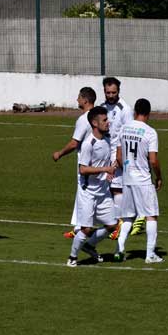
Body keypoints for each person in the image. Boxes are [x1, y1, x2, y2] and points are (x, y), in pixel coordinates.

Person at [68, 106, 119, 267]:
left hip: (103, 190)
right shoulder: (88, 144)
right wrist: (105, 169)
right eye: (104, 120)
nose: (108, 123)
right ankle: (72, 257)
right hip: (88, 192)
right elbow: (82, 169)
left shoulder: (107, 139)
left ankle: (89, 245)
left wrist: (111, 168)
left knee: (112, 225)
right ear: (94, 123)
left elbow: (108, 159)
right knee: (86, 229)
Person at [114, 98, 162, 264]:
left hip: (127, 179)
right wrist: (159, 176)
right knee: (151, 216)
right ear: (148, 114)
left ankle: (119, 248)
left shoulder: (124, 129)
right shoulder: (150, 132)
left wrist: (127, 168)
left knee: (128, 217)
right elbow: (154, 160)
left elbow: (119, 156)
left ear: (135, 111)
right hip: (143, 179)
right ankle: (150, 255)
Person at [53, 87, 96, 239]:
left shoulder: (84, 119)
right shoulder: (100, 115)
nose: (77, 100)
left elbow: (74, 143)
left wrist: (59, 153)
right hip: (99, 160)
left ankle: (83, 228)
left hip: (86, 162)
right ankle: (79, 226)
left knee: (85, 192)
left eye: (79, 97)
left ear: (85, 100)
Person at [99, 77, 134, 238]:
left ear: (118, 91)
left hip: (118, 152)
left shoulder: (125, 109)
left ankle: (119, 222)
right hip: (104, 151)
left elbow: (128, 133)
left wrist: (121, 157)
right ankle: (113, 221)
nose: (111, 95)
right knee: (107, 188)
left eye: (113, 92)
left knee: (117, 188)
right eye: (108, 92)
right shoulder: (101, 107)